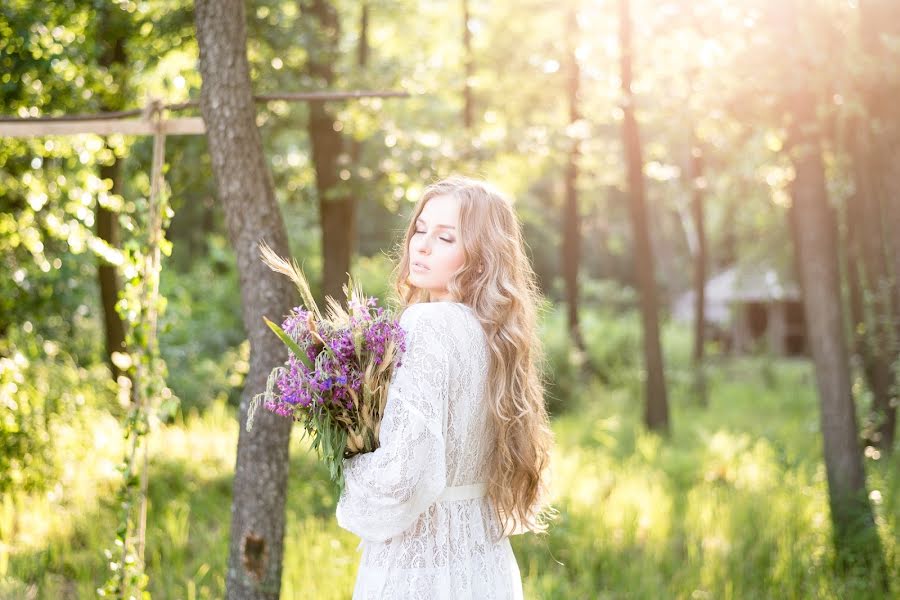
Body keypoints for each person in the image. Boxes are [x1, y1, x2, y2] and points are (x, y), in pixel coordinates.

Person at [335, 175, 557, 599]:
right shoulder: (495, 335)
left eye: (445, 237)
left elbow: (404, 476)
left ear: (478, 257)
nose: (421, 245)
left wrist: (351, 460)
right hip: (482, 563)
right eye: (420, 229)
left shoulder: (425, 325)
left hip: (420, 567)